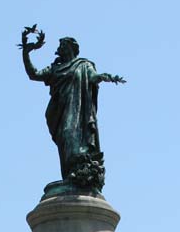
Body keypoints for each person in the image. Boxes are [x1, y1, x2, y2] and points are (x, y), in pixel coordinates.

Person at [21, 26, 125, 190]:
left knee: (72, 135)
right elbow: (33, 74)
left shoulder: (83, 65)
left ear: (70, 48)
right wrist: (26, 53)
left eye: (62, 46)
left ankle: (77, 175)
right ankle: (70, 176)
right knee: (65, 137)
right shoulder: (55, 69)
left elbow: (92, 77)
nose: (59, 49)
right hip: (61, 112)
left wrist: (105, 77)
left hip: (80, 113)